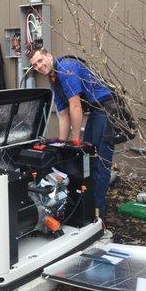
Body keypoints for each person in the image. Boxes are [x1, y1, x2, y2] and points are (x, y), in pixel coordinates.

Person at [28, 47, 115, 218]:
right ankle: (87, 207)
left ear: (48, 56)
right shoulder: (53, 80)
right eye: (35, 65)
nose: (39, 66)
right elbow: (63, 115)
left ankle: (98, 213)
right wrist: (61, 146)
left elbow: (75, 106)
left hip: (106, 108)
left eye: (40, 60)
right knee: (88, 160)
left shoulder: (66, 68)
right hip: (95, 111)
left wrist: (76, 142)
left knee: (99, 163)